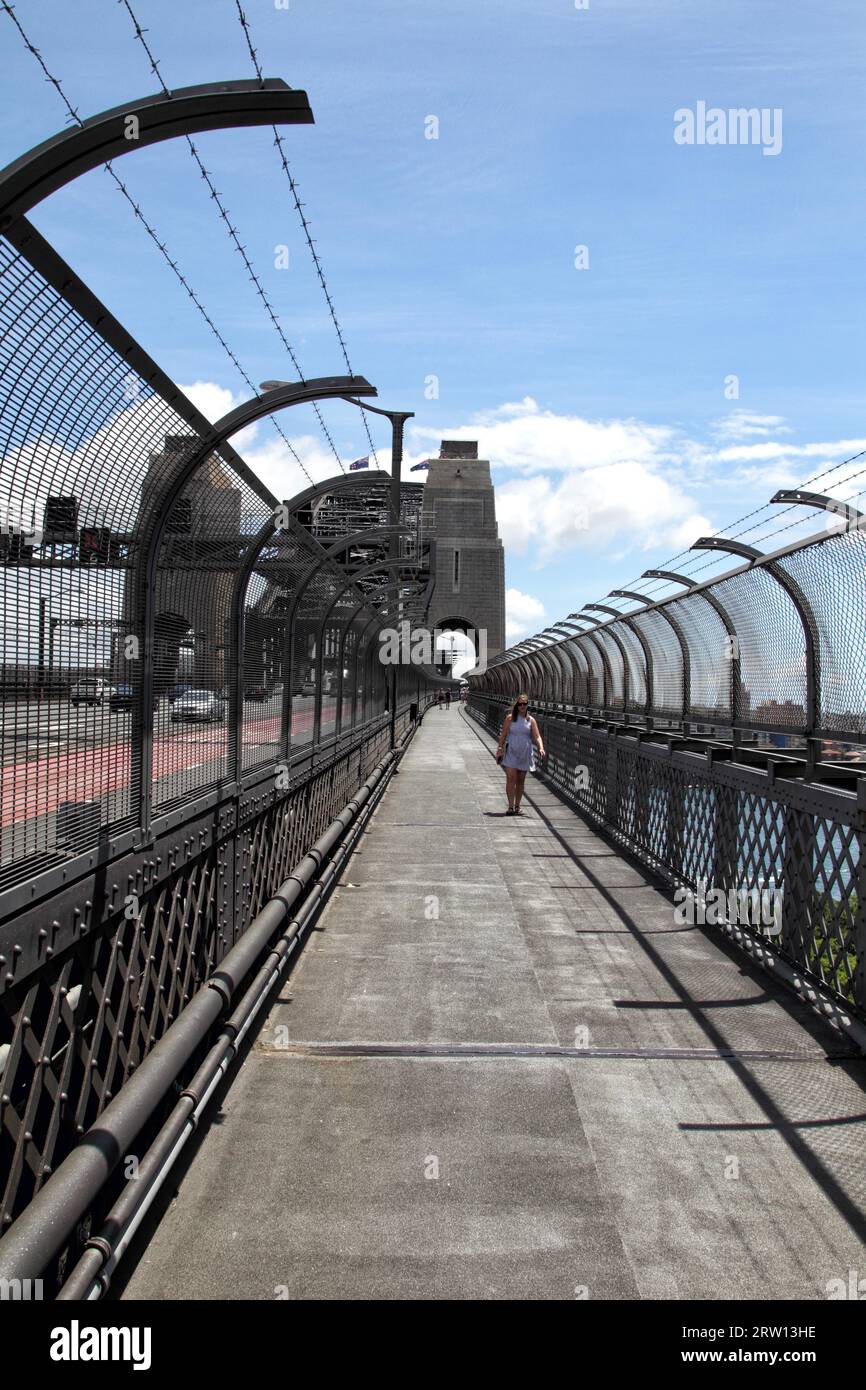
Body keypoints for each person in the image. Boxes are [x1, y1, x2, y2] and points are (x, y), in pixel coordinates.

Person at [495, 693, 545, 815]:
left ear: (527, 705)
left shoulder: (531, 720)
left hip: (525, 753)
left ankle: (517, 806)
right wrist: (500, 747)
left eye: (524, 704)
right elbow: (503, 734)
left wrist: (541, 748)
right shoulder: (510, 718)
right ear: (517, 705)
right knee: (510, 778)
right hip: (511, 751)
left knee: (520, 781)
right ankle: (510, 807)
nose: (522, 706)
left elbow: (537, 736)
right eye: (520, 704)